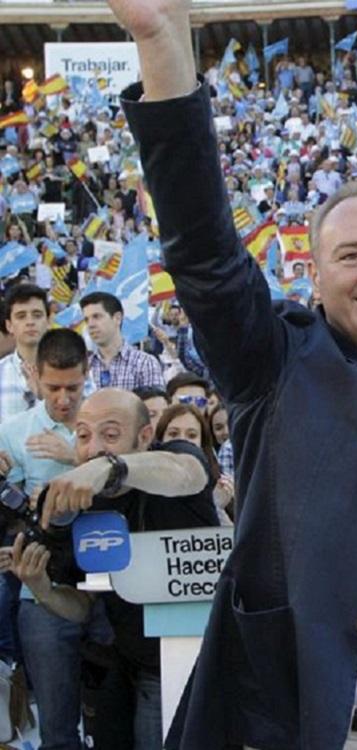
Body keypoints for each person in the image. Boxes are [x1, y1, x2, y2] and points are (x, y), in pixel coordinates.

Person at [106, 0, 357, 745]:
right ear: (314, 276)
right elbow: (205, 255)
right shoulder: (274, 366)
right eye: (351, 255)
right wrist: (160, 40)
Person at [5, 388, 217, 750]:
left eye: (111, 435)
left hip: (194, 662)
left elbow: (188, 475)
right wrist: (42, 587)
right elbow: (82, 605)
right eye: (84, 435)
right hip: (129, 662)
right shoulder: (84, 508)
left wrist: (109, 466)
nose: (93, 447)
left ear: (145, 436)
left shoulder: (175, 456)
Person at [0, 329, 93, 750]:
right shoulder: (13, 433)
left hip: (112, 591)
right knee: (57, 729)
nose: (63, 399)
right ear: (34, 377)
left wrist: (73, 456)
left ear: (87, 374)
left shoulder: (110, 424)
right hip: (41, 594)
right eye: (53, 387)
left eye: (73, 388)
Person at [81, 291, 164, 392]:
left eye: (96, 317)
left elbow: (155, 406)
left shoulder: (145, 363)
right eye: (86, 320)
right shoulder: (83, 367)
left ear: (117, 318)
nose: (90, 325)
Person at [0, 284, 50, 422]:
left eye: (37, 315)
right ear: (9, 325)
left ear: (48, 321)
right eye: (21, 316)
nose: (30, 322)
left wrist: (46, 396)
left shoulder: (70, 370)